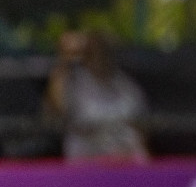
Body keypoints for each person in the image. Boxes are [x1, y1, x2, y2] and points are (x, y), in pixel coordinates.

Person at [45, 30, 150, 162]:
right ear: (87, 55)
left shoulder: (127, 87)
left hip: (123, 158)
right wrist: (64, 59)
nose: (101, 57)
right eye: (95, 51)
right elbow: (57, 108)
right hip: (87, 158)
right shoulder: (75, 82)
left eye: (106, 51)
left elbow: (141, 130)